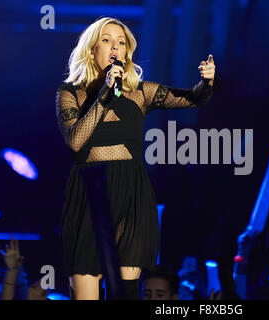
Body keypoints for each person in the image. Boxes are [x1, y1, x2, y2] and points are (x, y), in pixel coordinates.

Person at [55, 17, 221, 300]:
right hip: (90, 191)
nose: (115, 48)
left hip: (131, 189)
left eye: (121, 43)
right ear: (91, 48)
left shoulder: (140, 92)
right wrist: (106, 94)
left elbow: (191, 98)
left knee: (125, 291)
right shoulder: (70, 93)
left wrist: (206, 82)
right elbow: (75, 141)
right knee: (85, 284)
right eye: (107, 40)